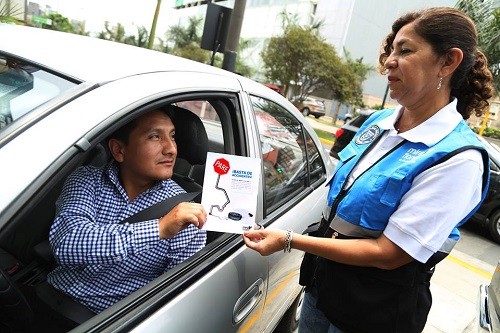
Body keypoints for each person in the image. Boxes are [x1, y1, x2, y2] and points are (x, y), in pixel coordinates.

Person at [243, 7, 494, 333]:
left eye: (405, 50)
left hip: (375, 311)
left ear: (447, 62)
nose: (389, 60)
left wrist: (290, 240)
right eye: (391, 50)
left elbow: (389, 254)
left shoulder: (458, 158)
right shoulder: (379, 123)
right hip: (324, 286)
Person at [47, 107, 207, 314]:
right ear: (119, 150)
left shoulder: (186, 214)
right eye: (155, 136)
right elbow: (67, 243)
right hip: (51, 297)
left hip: (109, 321)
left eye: (173, 137)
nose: (172, 149)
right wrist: (158, 229)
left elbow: (172, 296)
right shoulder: (87, 179)